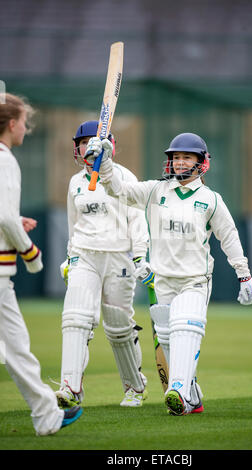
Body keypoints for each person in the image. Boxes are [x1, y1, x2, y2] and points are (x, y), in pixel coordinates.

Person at [86, 131, 252, 416]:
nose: (179, 163)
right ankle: (191, 395)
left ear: (202, 162)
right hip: (162, 280)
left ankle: (177, 389)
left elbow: (229, 237)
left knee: (185, 327)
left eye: (186, 157)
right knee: (167, 337)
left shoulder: (211, 200)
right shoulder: (157, 191)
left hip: (194, 280)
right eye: (175, 157)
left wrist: (244, 274)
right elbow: (120, 190)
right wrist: (103, 163)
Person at [0, 92, 82, 435]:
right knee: (15, 348)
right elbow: (3, 216)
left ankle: (47, 414)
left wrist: (15, 221)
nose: (27, 129)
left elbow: (4, 215)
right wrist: (29, 251)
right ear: (11, 124)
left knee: (16, 348)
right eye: (24, 122)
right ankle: (47, 414)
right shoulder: (5, 160)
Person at [55, 121, 150, 408]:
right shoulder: (75, 182)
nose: (87, 147)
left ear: (110, 147)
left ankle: (135, 387)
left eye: (91, 142)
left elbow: (138, 220)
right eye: (82, 143)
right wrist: (71, 255)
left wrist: (140, 256)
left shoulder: (124, 177)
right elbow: (74, 223)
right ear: (77, 148)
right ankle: (70, 388)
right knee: (75, 318)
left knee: (119, 327)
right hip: (85, 255)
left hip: (118, 256)